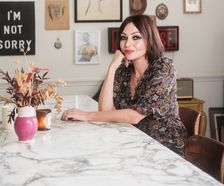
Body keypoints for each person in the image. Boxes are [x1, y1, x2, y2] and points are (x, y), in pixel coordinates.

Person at [61, 15, 187, 155]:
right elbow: (105, 110)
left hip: (164, 147)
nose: (127, 44)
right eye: (123, 37)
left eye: (136, 37)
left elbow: (135, 116)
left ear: (149, 39)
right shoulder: (124, 70)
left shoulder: (163, 68)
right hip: (133, 140)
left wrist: (86, 115)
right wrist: (112, 68)